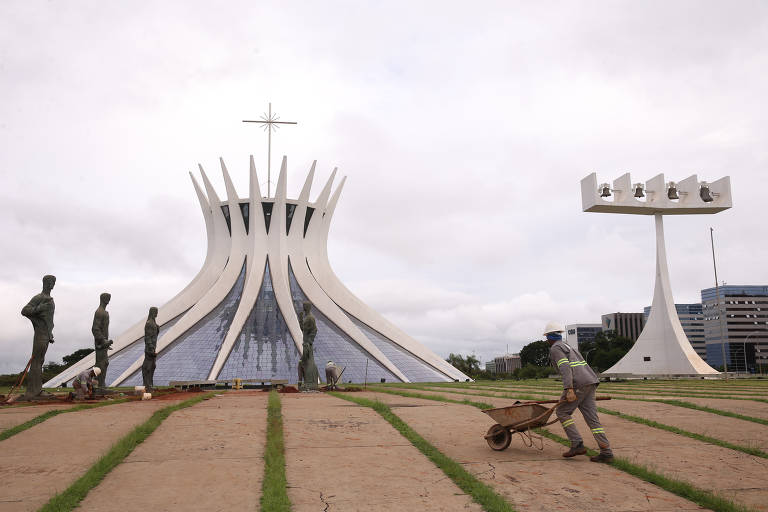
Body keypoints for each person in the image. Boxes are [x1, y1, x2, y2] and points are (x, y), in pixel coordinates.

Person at [544, 321, 614, 463]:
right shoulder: (568, 346)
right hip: (590, 381)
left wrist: (569, 388)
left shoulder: (556, 348)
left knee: (562, 412)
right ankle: (606, 452)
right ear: (559, 335)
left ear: (549, 338)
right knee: (592, 419)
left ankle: (577, 444)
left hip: (578, 384)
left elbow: (565, 368)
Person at [19, 274, 56, 400]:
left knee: (40, 361)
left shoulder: (50, 299)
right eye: (51, 282)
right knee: (36, 361)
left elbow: (49, 320)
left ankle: (37, 389)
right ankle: (34, 392)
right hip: (40, 334)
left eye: (54, 282)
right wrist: (41, 307)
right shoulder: (39, 298)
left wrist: (50, 333)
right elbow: (25, 310)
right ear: (45, 283)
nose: (53, 284)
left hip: (46, 334)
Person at [92, 293, 113, 387]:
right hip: (100, 343)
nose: (109, 300)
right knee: (101, 363)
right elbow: (95, 328)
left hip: (104, 343)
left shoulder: (105, 312)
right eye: (108, 298)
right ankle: (99, 384)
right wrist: (103, 340)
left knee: (104, 363)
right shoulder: (100, 312)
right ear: (103, 299)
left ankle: (100, 384)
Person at [142, 307, 159, 391]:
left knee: (153, 366)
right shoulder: (149, 323)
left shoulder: (154, 324)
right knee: (148, 366)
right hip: (149, 348)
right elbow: (147, 337)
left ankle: (150, 384)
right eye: (156, 312)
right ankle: (147, 384)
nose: (157, 314)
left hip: (153, 347)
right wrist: (151, 347)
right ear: (152, 312)